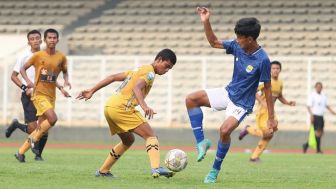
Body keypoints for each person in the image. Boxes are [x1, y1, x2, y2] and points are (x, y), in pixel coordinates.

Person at [185, 7, 277, 183]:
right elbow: (213, 42)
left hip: (242, 104)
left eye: (240, 37)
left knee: (224, 130)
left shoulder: (263, 60)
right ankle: (201, 143)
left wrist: (271, 117)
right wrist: (206, 21)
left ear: (250, 39)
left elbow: (267, 88)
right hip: (228, 92)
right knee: (191, 99)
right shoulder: (237, 46)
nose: (236, 40)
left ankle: (214, 171)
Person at [77, 49, 176, 178]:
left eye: (169, 68)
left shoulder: (137, 70)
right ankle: (156, 168)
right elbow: (136, 87)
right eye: (166, 66)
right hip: (122, 108)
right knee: (151, 136)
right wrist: (144, 106)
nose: (166, 70)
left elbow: (112, 77)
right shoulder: (150, 73)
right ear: (159, 60)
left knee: (128, 140)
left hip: (110, 106)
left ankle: (103, 171)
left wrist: (92, 90)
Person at [6, 30, 69, 161]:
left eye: (37, 38)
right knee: (41, 125)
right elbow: (14, 76)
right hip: (32, 95)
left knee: (42, 127)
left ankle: (28, 153)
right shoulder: (26, 56)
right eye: (32, 39)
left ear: (41, 40)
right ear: (28, 42)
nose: (35, 40)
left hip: (48, 94)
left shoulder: (50, 57)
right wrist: (25, 86)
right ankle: (27, 136)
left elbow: (48, 76)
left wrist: (61, 87)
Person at [238, 61, 296, 162]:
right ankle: (248, 129)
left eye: (277, 68)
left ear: (280, 70)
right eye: (273, 68)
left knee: (270, 133)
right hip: (262, 111)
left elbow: (279, 96)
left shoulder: (280, 82)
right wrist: (262, 102)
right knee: (268, 133)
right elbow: (254, 91)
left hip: (271, 111)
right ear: (269, 70)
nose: (275, 70)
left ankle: (254, 157)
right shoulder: (265, 81)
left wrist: (288, 103)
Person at [303, 82, 336, 154]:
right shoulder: (312, 95)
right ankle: (318, 150)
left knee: (320, 133)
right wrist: (311, 115)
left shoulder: (323, 97)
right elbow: (308, 106)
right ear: (315, 87)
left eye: (320, 87)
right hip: (315, 116)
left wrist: (333, 112)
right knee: (318, 133)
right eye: (317, 87)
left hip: (321, 117)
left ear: (322, 88)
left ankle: (306, 145)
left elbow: (327, 106)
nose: (319, 88)